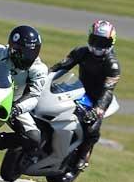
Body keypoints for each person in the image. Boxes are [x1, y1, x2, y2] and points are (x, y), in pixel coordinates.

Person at [49, 19, 120, 171]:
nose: (98, 46)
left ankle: (83, 155)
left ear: (111, 43)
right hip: (77, 90)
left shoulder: (112, 65)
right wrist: (45, 78)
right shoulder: (81, 52)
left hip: (96, 99)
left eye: (103, 42)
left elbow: (108, 90)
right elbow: (61, 67)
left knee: (92, 129)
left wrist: (98, 109)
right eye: (95, 40)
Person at [0, 25, 48, 161]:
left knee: (33, 138)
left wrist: (16, 108)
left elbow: (34, 95)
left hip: (14, 103)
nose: (27, 56)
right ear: (12, 48)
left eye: (32, 51)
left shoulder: (39, 69)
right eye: (21, 51)